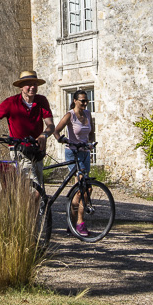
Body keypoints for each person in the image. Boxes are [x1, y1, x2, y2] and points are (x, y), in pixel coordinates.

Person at [0, 70, 54, 185]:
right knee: (34, 187)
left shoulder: (41, 101)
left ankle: (31, 203)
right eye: (29, 84)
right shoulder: (11, 103)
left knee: (40, 188)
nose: (32, 87)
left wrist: (44, 134)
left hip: (37, 150)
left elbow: (51, 125)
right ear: (21, 87)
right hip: (19, 150)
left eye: (35, 84)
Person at [52, 90, 95, 236]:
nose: (84, 103)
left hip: (85, 153)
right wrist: (62, 139)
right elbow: (56, 131)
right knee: (83, 187)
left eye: (86, 101)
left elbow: (91, 132)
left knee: (84, 190)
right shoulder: (70, 115)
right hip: (73, 153)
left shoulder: (88, 115)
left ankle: (71, 222)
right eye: (82, 101)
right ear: (75, 101)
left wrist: (90, 143)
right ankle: (80, 223)